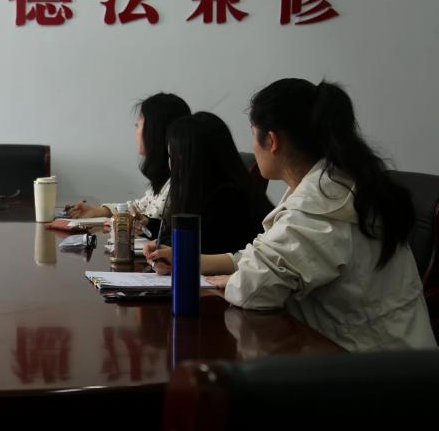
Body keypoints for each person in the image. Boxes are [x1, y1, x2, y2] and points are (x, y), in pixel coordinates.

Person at [145, 79, 436, 351]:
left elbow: (252, 290)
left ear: (272, 140)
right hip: (377, 355)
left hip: (380, 370)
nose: (253, 148)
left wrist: (234, 280)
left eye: (253, 136)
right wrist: (188, 261)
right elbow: (267, 253)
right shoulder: (336, 184)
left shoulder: (324, 205)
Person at [68, 93, 191, 232]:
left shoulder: (176, 183)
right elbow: (138, 208)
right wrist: (100, 211)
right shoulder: (163, 179)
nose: (135, 130)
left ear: (154, 132)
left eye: (137, 125)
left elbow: (148, 220)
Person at [159, 112, 272, 254]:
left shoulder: (228, 201)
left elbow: (197, 248)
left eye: (173, 156)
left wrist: (162, 246)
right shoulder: (214, 191)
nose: (170, 165)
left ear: (194, 159)